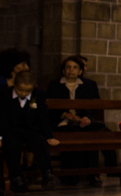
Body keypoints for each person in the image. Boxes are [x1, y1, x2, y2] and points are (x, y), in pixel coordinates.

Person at [45, 55, 111, 186]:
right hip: (63, 122)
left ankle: (93, 175)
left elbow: (94, 105)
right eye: (68, 67)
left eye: (75, 67)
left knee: (91, 136)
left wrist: (88, 117)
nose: (71, 70)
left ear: (80, 71)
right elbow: (48, 106)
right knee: (70, 133)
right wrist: (64, 113)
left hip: (83, 122)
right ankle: (69, 176)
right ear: (63, 70)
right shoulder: (54, 85)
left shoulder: (89, 85)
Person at [0, 71, 59, 193]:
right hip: (11, 130)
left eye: (27, 91)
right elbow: (1, 116)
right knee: (12, 145)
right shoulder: (5, 94)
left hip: (30, 129)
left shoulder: (39, 95)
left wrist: (48, 136)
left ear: (34, 87)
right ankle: (16, 178)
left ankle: (47, 174)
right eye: (20, 90)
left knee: (40, 142)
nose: (23, 93)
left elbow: (43, 118)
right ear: (14, 85)